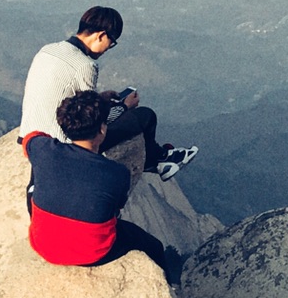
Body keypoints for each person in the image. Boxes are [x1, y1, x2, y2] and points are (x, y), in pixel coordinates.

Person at [19, 5, 198, 180]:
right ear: (101, 35)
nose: (108, 48)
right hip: (64, 144)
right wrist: (124, 107)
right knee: (145, 116)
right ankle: (157, 160)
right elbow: (91, 122)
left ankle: (159, 158)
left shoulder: (48, 50)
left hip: (29, 138)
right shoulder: (85, 65)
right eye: (111, 43)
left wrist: (101, 98)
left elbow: (66, 96)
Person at [25, 90, 181, 280]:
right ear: (102, 130)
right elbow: (115, 209)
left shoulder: (43, 149)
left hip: (43, 245)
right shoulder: (116, 173)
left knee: (36, 173)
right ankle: (170, 285)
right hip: (94, 252)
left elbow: (30, 138)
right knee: (153, 245)